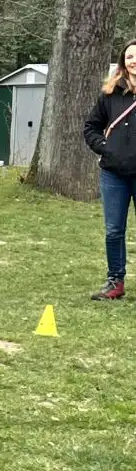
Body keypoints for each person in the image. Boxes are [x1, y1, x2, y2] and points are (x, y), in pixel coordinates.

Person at [84, 40, 136, 300]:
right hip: (113, 174)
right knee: (114, 230)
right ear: (123, 61)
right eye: (129, 56)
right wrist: (106, 148)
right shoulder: (111, 93)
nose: (133, 61)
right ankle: (115, 281)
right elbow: (91, 128)